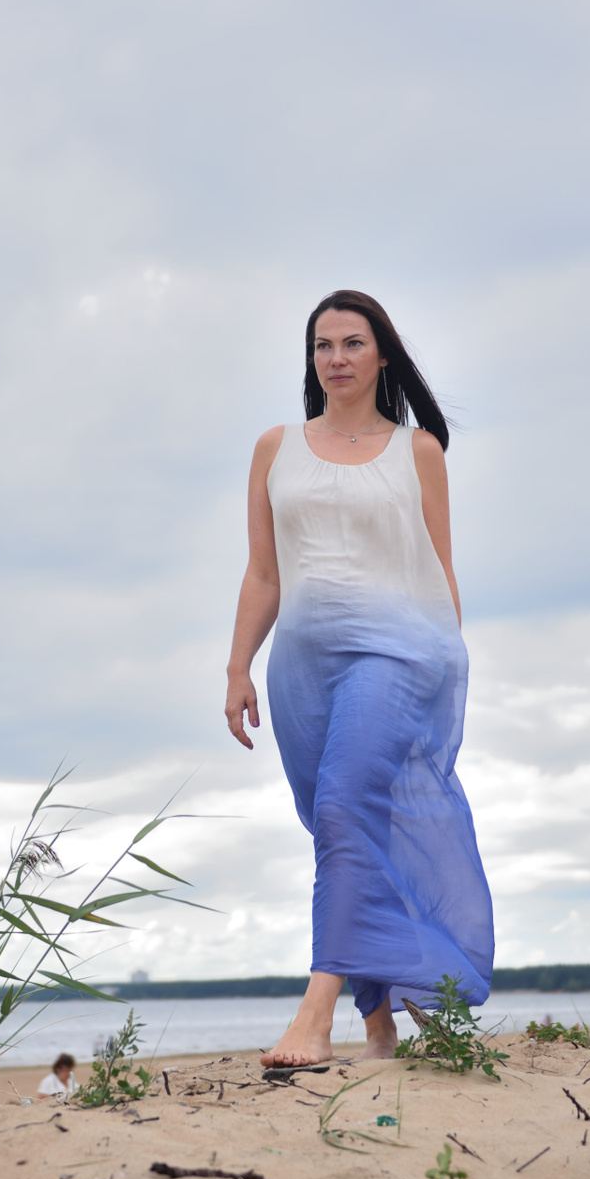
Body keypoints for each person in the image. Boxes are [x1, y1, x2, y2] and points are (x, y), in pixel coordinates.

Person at [226, 290, 494, 1068]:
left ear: (381, 356)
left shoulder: (419, 452)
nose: (336, 358)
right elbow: (264, 573)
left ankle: (314, 1020)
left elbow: (441, 572)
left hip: (399, 656)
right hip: (302, 669)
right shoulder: (276, 448)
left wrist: (445, 669)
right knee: (342, 829)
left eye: (352, 343)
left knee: (346, 807)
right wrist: (238, 666)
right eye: (323, 346)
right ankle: (379, 1023)